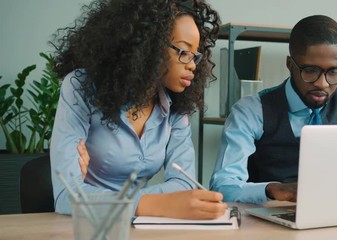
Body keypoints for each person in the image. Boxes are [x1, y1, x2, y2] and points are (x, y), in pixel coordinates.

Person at [50, 0, 228, 220]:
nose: (193, 65)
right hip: (86, 226)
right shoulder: (80, 87)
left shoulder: (176, 106)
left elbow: (184, 183)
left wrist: (104, 200)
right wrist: (156, 203)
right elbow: (67, 197)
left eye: (196, 55)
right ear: (149, 46)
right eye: (184, 51)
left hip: (139, 228)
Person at [209, 15, 337, 204]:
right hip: (273, 217)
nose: (322, 84)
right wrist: (272, 189)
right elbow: (222, 187)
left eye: (333, 72)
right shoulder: (250, 111)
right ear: (290, 65)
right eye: (310, 71)